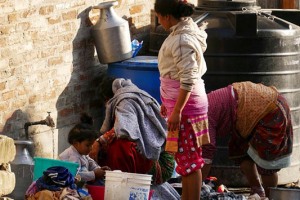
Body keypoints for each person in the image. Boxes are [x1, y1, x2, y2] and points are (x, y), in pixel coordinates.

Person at [154, 0, 210, 199]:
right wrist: (168, 104)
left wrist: (176, 110)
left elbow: (187, 78)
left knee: (190, 162)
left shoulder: (181, 40)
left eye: (159, 17)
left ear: (167, 16)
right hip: (183, 105)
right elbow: (174, 75)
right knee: (187, 160)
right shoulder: (185, 32)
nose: (159, 21)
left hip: (186, 109)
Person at [89, 77, 180, 200]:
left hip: (161, 164)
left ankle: (125, 183)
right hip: (159, 157)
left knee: (120, 146)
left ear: (108, 98)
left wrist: (99, 142)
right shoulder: (136, 95)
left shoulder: (125, 102)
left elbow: (124, 129)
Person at [202, 81, 293, 199]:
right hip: (245, 113)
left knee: (267, 162)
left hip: (269, 108)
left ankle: (270, 197)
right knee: (239, 150)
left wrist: (197, 186)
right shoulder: (200, 109)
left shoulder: (203, 115)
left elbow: (207, 155)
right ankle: (258, 190)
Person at [58, 119, 111, 186]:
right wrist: (93, 174)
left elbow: (90, 162)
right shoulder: (73, 156)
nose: (91, 148)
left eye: (92, 145)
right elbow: (76, 176)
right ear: (76, 143)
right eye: (88, 145)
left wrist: (99, 169)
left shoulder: (82, 153)